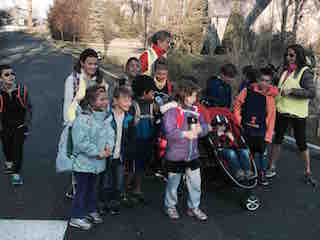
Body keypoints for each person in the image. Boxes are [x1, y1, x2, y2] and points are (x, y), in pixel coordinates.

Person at [266, 44, 317, 185]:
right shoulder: (285, 70)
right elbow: (280, 86)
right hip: (282, 110)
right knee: (278, 139)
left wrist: (293, 91)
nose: (288, 58)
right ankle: (271, 167)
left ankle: (308, 171)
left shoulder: (305, 72)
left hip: (297, 114)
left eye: (292, 55)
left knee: (301, 143)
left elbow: (311, 93)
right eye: (287, 55)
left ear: (299, 56)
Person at [63, 48, 109, 199]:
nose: (93, 67)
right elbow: (69, 103)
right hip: (79, 122)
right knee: (78, 155)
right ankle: (77, 187)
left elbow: (104, 102)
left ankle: (87, 187)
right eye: (89, 63)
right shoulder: (73, 80)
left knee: (93, 153)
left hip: (96, 123)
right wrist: (69, 123)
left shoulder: (100, 80)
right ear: (82, 63)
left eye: (95, 64)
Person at [162, 79, 210, 221]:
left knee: (196, 184)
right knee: (173, 184)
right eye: (193, 96)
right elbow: (169, 132)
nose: (195, 99)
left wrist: (202, 129)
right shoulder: (172, 111)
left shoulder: (195, 110)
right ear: (183, 95)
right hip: (176, 155)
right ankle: (170, 206)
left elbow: (204, 127)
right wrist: (185, 134)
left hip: (192, 155)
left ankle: (194, 207)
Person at [69, 86, 113, 230]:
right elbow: (80, 142)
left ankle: (89, 210)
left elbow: (110, 134)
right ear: (91, 102)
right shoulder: (83, 119)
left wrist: (108, 147)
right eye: (101, 99)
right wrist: (97, 152)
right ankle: (77, 216)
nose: (105, 102)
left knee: (92, 189)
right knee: (82, 190)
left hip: (98, 163)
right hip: (83, 163)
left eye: (106, 99)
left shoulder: (106, 117)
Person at [234, 68, 277, 186]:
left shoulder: (270, 98)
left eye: (267, 81)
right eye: (262, 80)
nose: (264, 83)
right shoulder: (247, 91)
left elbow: (271, 118)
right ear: (258, 80)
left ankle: (262, 174)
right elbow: (237, 106)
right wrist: (238, 120)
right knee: (247, 153)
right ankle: (249, 173)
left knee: (261, 154)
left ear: (270, 83)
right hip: (246, 129)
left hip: (261, 131)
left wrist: (268, 136)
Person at [105, 86, 135, 215]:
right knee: (106, 181)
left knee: (118, 182)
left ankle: (114, 203)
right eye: (125, 100)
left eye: (130, 100)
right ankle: (103, 203)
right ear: (115, 101)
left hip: (120, 156)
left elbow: (130, 139)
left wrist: (129, 153)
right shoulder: (107, 116)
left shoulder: (129, 118)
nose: (128, 103)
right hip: (106, 155)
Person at [0, 64, 32, 185]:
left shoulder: (22, 91)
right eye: (6, 74)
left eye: (12, 73)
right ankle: (8, 161)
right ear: (1, 78)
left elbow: (29, 108)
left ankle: (16, 173)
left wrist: (27, 124)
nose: (11, 76)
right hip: (4, 128)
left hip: (20, 126)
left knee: (17, 150)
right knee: (6, 147)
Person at [130, 75, 155, 202]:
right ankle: (130, 186)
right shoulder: (132, 106)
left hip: (147, 140)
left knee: (142, 165)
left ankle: (137, 188)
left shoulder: (153, 105)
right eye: (152, 92)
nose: (154, 94)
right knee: (132, 165)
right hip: (134, 141)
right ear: (145, 93)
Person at [211, 114, 252, 181]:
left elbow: (236, 144)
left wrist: (232, 139)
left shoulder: (228, 133)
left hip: (232, 148)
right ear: (215, 125)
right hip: (221, 150)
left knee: (243, 151)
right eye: (220, 125)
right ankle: (238, 172)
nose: (222, 127)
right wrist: (218, 136)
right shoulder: (213, 134)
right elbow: (214, 145)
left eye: (224, 125)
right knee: (231, 153)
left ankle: (247, 171)